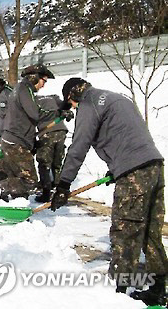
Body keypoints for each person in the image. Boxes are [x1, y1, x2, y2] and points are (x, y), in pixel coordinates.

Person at [51, 78, 166, 306]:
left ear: (73, 95)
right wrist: (117, 168)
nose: (73, 108)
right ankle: (159, 288)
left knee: (125, 230)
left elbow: (78, 146)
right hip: (153, 164)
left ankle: (120, 293)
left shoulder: (89, 104)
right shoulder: (115, 97)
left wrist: (63, 184)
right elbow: (128, 134)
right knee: (150, 231)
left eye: (71, 104)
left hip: (133, 170)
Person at [0, 64, 55, 201]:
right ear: (35, 77)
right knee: (30, 181)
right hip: (16, 142)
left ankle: (15, 205)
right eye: (44, 81)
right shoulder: (25, 89)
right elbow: (35, 113)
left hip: (13, 139)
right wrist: (57, 112)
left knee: (17, 177)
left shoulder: (19, 89)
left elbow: (22, 116)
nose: (43, 85)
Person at [33, 95, 73, 203]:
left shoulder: (32, 101)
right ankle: (59, 191)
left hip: (46, 132)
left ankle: (46, 193)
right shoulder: (53, 98)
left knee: (44, 162)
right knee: (57, 163)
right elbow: (66, 105)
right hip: (61, 131)